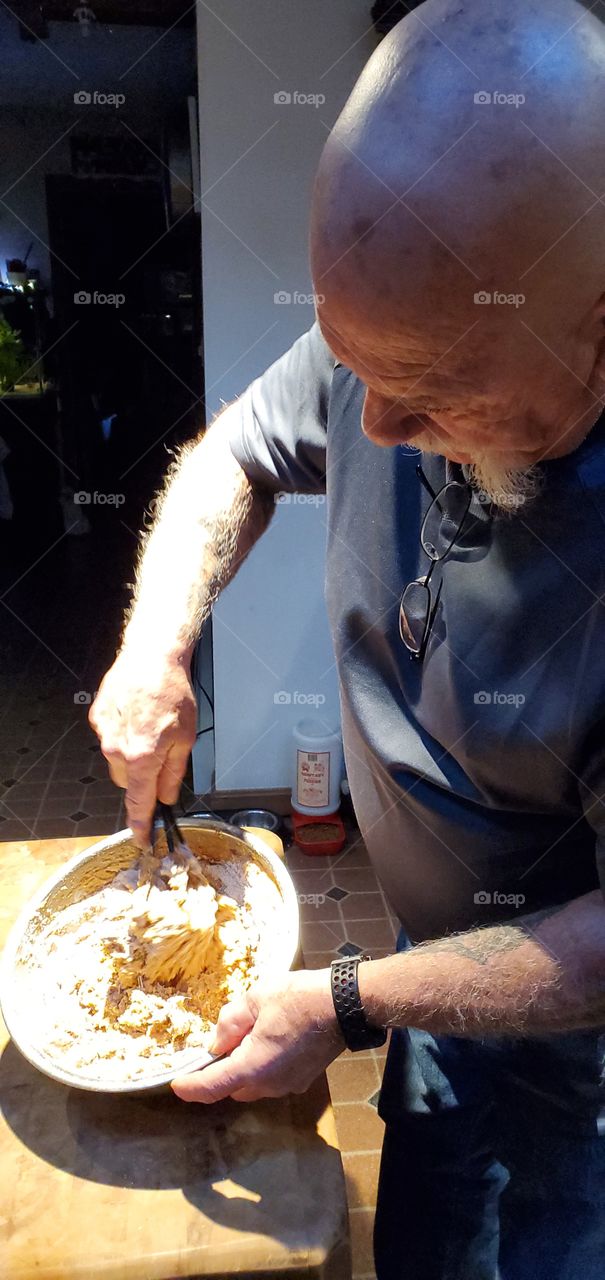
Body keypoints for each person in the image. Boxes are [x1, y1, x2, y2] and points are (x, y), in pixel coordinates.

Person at [90, 1, 605, 1275]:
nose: (367, 428)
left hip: (577, 1050)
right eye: (353, 363)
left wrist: (346, 1001)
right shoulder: (408, 331)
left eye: (428, 390)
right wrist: (156, 646)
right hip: (432, 991)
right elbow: (233, 457)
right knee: (428, 1240)